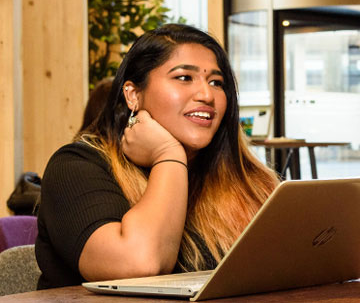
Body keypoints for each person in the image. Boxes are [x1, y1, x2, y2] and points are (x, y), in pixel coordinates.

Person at [35, 24, 278, 289]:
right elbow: (140, 263)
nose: (207, 95)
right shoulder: (75, 167)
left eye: (216, 83)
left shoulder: (244, 179)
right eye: (184, 77)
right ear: (133, 94)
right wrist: (168, 155)